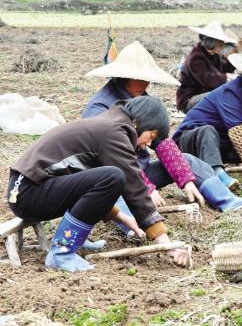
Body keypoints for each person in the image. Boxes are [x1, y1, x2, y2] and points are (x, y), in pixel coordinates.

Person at [6, 97, 191, 272]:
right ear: (138, 122)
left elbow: (86, 187)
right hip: (28, 192)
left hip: (24, 190)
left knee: (108, 177)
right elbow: (135, 187)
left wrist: (123, 218)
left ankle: (74, 239)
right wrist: (166, 244)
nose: (148, 143)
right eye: (151, 135)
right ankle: (61, 253)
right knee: (114, 177)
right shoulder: (114, 133)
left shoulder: (109, 124)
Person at [84, 41, 242, 212]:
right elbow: (111, 158)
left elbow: (162, 142)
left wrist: (185, 178)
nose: (146, 84)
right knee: (117, 188)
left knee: (188, 161)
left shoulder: (142, 99)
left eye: (147, 79)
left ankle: (228, 201)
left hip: (140, 170)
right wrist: (146, 188)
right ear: (123, 76)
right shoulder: (100, 109)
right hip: (112, 176)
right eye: (140, 78)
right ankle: (132, 226)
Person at [176, 21, 238, 112]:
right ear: (211, 42)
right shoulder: (196, 58)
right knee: (220, 95)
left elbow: (223, 69)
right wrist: (226, 77)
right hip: (190, 100)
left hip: (204, 97)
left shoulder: (213, 56)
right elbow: (207, 79)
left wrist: (234, 59)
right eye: (219, 43)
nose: (222, 46)